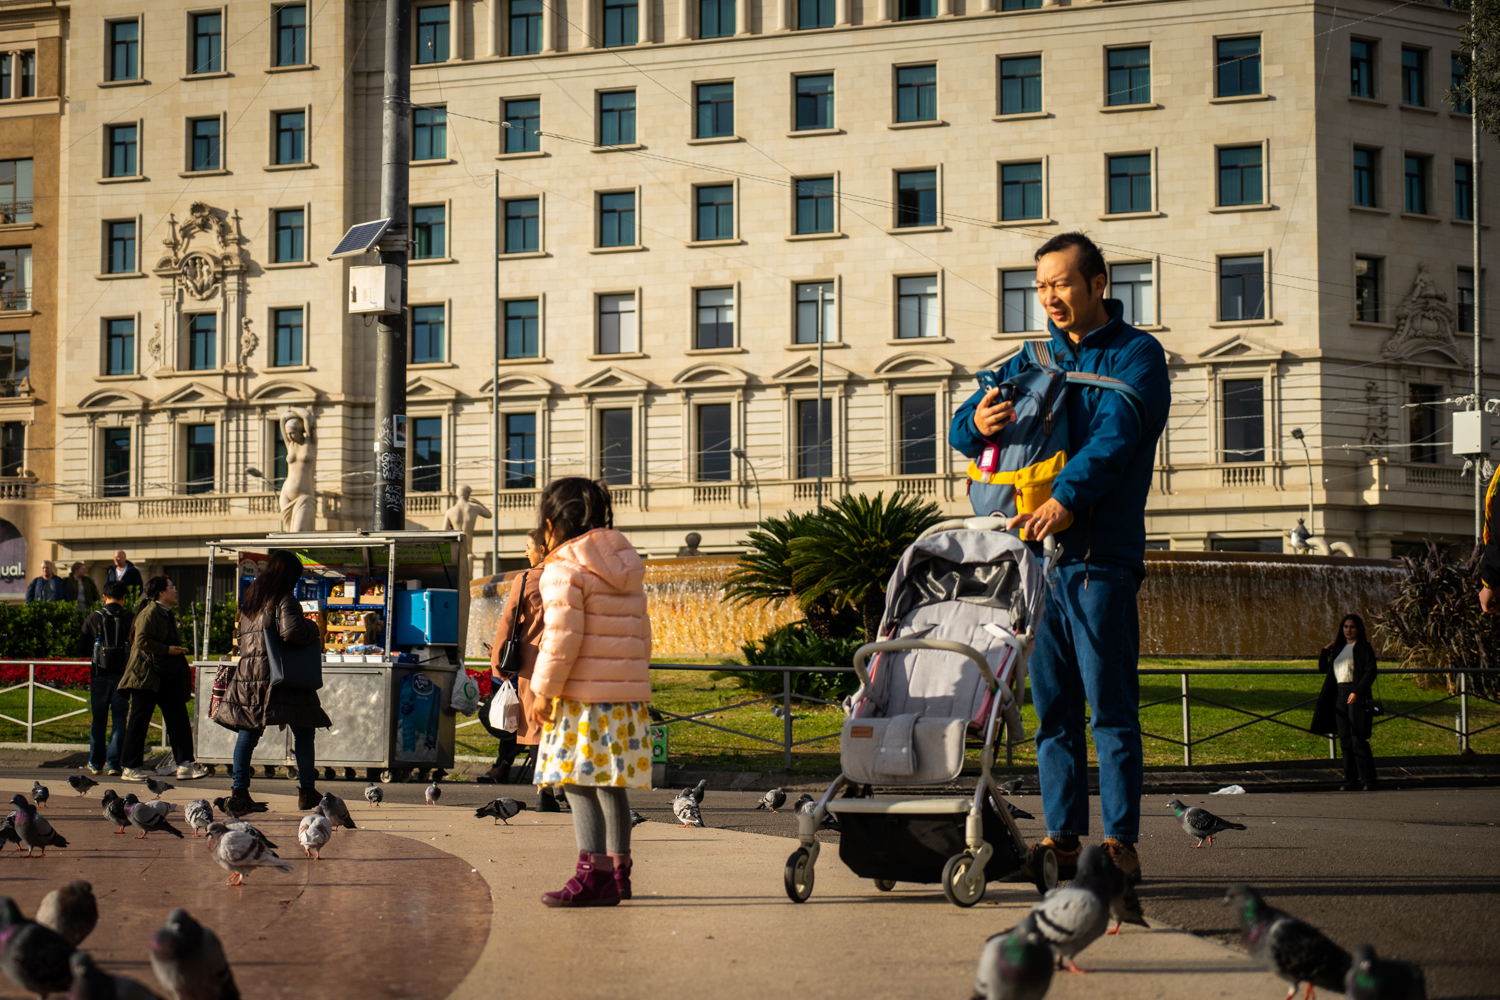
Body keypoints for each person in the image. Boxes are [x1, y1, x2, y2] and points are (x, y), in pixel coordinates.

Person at [949, 232, 1170, 885]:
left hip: (1101, 556)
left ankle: (1120, 841)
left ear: (1098, 283)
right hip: (1036, 560)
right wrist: (977, 423)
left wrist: (1067, 500)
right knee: (1053, 712)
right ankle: (1064, 838)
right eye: (1041, 286)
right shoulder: (1033, 357)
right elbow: (967, 423)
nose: (1050, 297)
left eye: (1062, 283)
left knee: (1111, 706)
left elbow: (1117, 439)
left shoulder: (1138, 355)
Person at [528, 478, 652, 907]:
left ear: (550, 526)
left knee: (574, 779)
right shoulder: (626, 564)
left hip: (582, 700)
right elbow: (642, 635)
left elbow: (561, 637)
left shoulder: (564, 567)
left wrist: (543, 691)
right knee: (611, 784)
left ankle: (592, 875)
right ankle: (619, 875)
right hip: (625, 700)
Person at [211, 549, 329, 810]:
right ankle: (307, 791)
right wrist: (314, 627)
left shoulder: (250, 602)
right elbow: (292, 632)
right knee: (305, 729)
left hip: (249, 676)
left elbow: (242, 640)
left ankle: (239, 791)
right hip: (281, 676)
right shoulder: (284, 599)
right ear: (288, 576)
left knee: (248, 733)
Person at [118, 576, 207, 782]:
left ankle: (184, 765)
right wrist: (168, 649)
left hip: (165, 675)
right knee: (139, 722)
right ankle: (129, 768)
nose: (175, 590)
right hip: (145, 677)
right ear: (160, 592)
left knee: (179, 720)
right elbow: (140, 641)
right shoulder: (150, 612)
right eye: (171, 587)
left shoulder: (165, 613)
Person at [480, 528, 547, 794]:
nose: (525, 552)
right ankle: (564, 786)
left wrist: (498, 663)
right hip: (568, 665)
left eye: (529, 546)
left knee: (535, 727)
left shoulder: (527, 578)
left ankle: (545, 792)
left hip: (534, 665)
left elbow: (507, 623)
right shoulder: (573, 577)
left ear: (542, 548)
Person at [1312, 614, 1379, 791]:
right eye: (1346, 627)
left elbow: (1371, 671)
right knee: (1345, 739)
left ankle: (1368, 780)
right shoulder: (1340, 649)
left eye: (1352, 627)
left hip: (1356, 694)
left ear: (1359, 629)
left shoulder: (1364, 647)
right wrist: (1325, 652)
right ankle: (1351, 779)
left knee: (1358, 738)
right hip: (1340, 696)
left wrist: (1358, 692)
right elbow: (1324, 670)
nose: (1348, 630)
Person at [77, 580, 134, 776]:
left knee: (98, 720)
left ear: (104, 596)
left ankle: (95, 762)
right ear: (124, 597)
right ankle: (114, 764)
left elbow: (82, 647)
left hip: (99, 675)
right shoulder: (130, 618)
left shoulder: (94, 617)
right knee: (119, 720)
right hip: (123, 677)